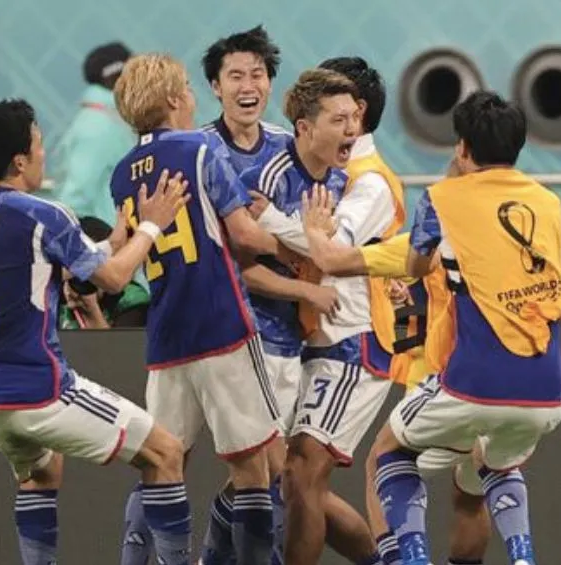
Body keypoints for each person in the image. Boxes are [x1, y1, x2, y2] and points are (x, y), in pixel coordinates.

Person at [0, 98, 191, 565]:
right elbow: (115, 281)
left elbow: (43, 271)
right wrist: (152, 228)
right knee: (165, 452)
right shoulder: (44, 213)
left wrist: (111, 243)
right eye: (39, 145)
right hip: (38, 390)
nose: (46, 154)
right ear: (19, 160)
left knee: (43, 472)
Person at [369, 90, 561, 565]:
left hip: (465, 380)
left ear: (461, 149)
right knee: (492, 469)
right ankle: (522, 556)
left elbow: (414, 263)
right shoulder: (549, 203)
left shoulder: (442, 198)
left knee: (388, 452)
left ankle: (411, 559)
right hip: (546, 390)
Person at [110, 53, 285, 565]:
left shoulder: (122, 174)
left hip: (167, 337)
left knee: (162, 464)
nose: (191, 97)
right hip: (221, 325)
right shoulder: (203, 148)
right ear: (171, 100)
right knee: (255, 468)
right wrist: (303, 245)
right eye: (187, 87)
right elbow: (246, 235)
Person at [234, 67, 388, 565]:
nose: (349, 127)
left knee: (301, 472)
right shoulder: (290, 173)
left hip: (352, 342)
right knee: (294, 481)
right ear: (305, 126)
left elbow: (330, 251)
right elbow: (260, 258)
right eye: (338, 117)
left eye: (353, 117)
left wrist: (275, 224)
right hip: (306, 341)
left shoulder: (368, 185)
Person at [301, 167, 493, 565]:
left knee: (384, 463)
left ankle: (401, 560)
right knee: (470, 495)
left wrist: (315, 230)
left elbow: (332, 260)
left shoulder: (416, 247)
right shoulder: (505, 242)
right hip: (496, 383)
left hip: (438, 384)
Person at [52, 42, 135, 224]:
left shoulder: (106, 119)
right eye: (134, 71)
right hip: (107, 243)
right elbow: (74, 200)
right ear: (114, 76)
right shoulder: (99, 126)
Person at [59, 216, 150, 329]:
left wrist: (92, 311)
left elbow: (122, 347)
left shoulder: (131, 300)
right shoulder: (52, 295)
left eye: (89, 271)